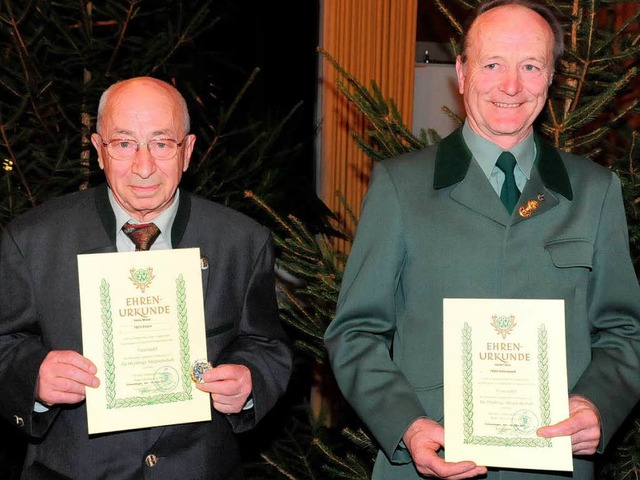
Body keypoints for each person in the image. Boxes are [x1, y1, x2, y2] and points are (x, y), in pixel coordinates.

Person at [324, 1, 640, 479]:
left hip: (554, 465)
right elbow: (354, 332)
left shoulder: (594, 190)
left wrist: (600, 403)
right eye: (493, 64)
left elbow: (625, 329)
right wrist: (407, 426)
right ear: (463, 72)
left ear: (551, 77)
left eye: (530, 66)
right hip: (426, 461)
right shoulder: (400, 185)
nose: (511, 86)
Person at [0, 76, 292, 479]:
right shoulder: (32, 240)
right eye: (124, 144)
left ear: (187, 151)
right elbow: (4, 344)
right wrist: (33, 377)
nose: (143, 166)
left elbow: (265, 344)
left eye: (161, 143)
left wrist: (250, 380)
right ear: (99, 151)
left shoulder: (242, 241)